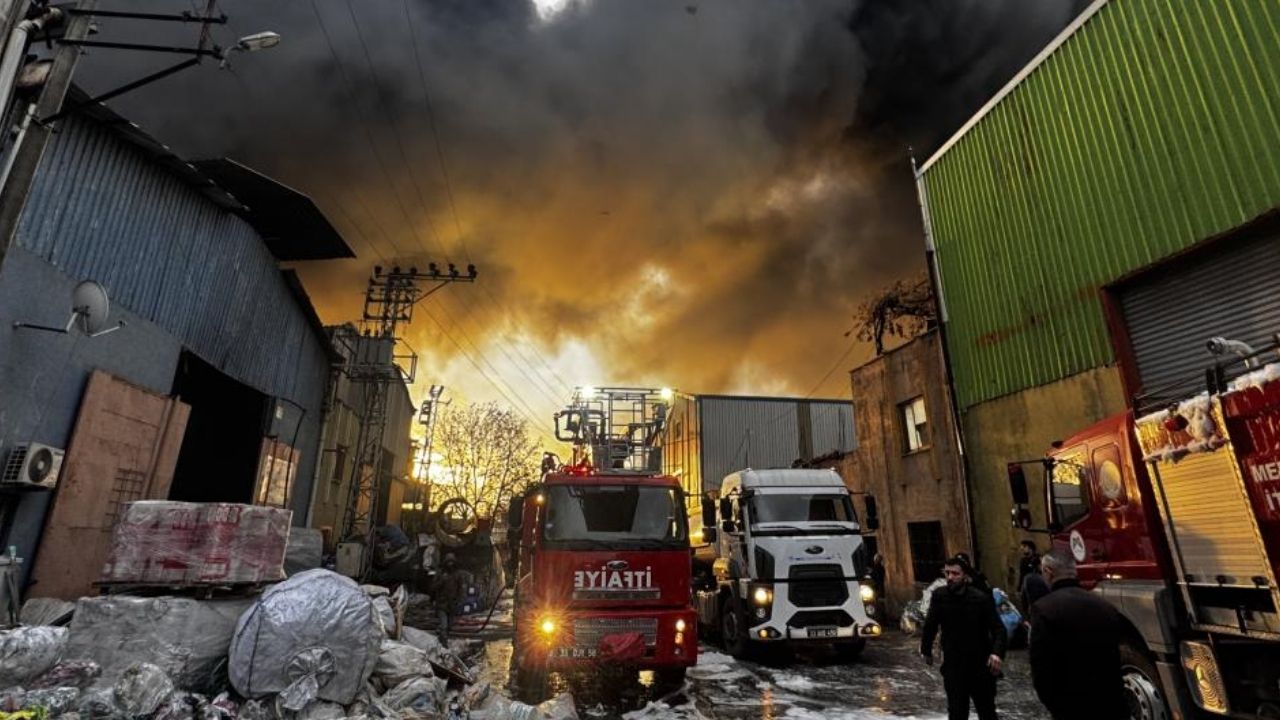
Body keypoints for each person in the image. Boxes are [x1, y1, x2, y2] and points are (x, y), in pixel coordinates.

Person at [1028, 550, 1127, 720]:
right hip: (1111, 701)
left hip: (1071, 705)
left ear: (1048, 572)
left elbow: (1041, 669)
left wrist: (1056, 707)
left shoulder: (1043, 609)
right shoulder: (1104, 605)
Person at [920, 556, 1007, 720]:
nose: (950, 577)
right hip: (954, 664)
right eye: (947, 573)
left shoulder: (980, 598)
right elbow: (931, 624)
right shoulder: (940, 596)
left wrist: (997, 653)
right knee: (957, 711)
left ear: (965, 576)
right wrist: (926, 650)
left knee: (986, 710)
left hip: (980, 664)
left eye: (955, 573)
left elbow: (998, 629)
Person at [432, 553, 467, 643]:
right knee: (444, 625)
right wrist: (442, 581)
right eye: (448, 562)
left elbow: (461, 589)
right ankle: (443, 643)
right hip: (442, 604)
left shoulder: (458, 574)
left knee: (449, 626)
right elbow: (433, 587)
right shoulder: (440, 573)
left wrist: (460, 600)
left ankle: (442, 638)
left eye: (452, 562)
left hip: (452, 604)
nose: (450, 564)